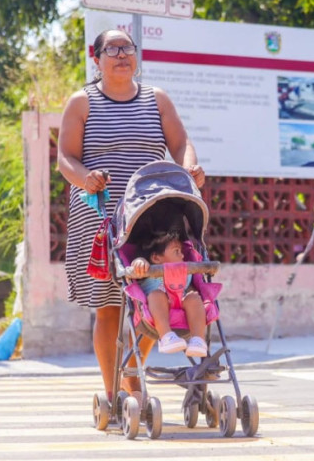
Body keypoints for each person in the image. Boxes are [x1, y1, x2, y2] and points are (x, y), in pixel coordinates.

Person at [57, 29, 206, 404]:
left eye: (127, 48)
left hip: (151, 216)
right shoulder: (82, 102)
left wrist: (189, 167)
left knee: (155, 294)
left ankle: (131, 371)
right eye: (112, 49)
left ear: (136, 56)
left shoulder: (157, 99)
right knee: (108, 306)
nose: (121, 55)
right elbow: (66, 159)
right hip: (101, 216)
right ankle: (113, 390)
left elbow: (181, 143)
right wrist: (85, 178)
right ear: (97, 58)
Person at [129, 227, 208, 357]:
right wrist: (139, 262)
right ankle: (166, 337)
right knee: (156, 295)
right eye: (176, 251)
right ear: (156, 258)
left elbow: (190, 289)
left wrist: (192, 295)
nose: (182, 255)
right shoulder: (148, 270)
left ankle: (198, 340)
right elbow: (135, 267)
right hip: (153, 311)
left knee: (193, 297)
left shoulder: (185, 271)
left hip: (179, 303)